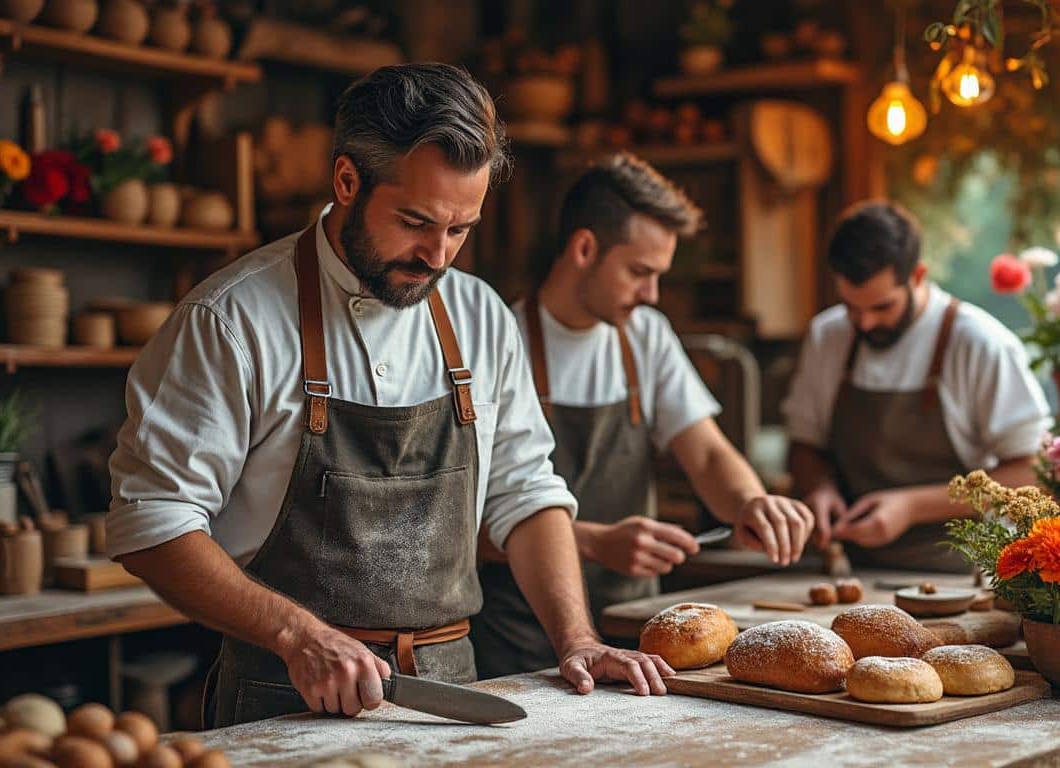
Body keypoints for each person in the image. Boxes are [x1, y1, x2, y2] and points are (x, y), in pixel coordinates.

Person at [107, 64, 672, 729]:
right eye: (415, 222)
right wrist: (299, 636)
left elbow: (526, 492)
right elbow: (153, 522)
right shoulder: (233, 320)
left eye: (461, 230)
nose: (438, 256)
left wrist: (575, 639)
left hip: (454, 695)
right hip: (284, 700)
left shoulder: (480, 317)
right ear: (347, 180)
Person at [471, 153, 814, 677]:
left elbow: (707, 452)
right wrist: (594, 541)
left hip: (637, 634)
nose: (652, 293)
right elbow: (461, 526)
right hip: (518, 642)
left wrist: (748, 503)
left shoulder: (645, 335)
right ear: (585, 248)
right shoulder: (499, 340)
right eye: (639, 272)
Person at [783, 200, 1051, 571]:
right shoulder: (827, 336)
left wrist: (911, 507)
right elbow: (804, 445)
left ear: (918, 275)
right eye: (851, 307)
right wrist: (819, 488)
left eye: (881, 307)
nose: (863, 324)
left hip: (960, 574)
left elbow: (1031, 474)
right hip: (849, 568)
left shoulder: (980, 343)